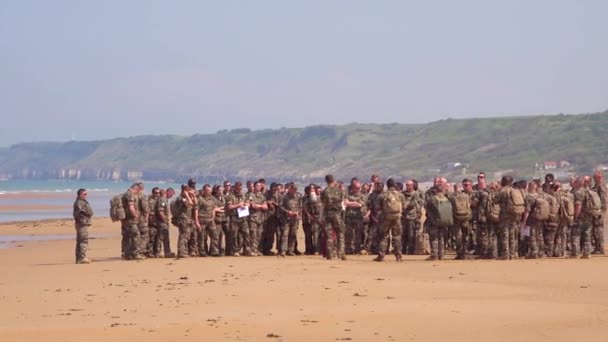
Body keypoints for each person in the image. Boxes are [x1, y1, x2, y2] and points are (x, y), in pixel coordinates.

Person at [73, 188, 94, 264]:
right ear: (80, 195)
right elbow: (81, 212)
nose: (86, 195)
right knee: (83, 241)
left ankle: (79, 258)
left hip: (82, 223)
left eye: (86, 194)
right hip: (81, 224)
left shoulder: (81, 202)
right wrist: (88, 214)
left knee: (80, 241)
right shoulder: (79, 202)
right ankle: (82, 257)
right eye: (84, 194)